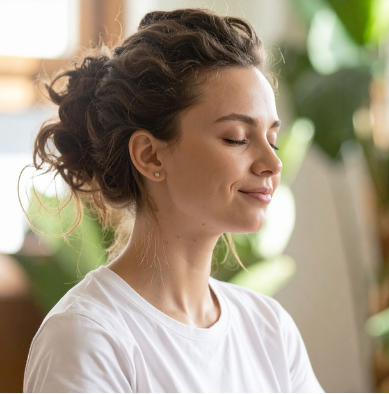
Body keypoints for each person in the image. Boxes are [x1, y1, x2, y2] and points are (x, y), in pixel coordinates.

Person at [22, 7, 325, 394]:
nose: (272, 162)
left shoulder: (270, 330)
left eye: (272, 138)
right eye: (236, 137)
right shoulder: (88, 337)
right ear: (150, 155)